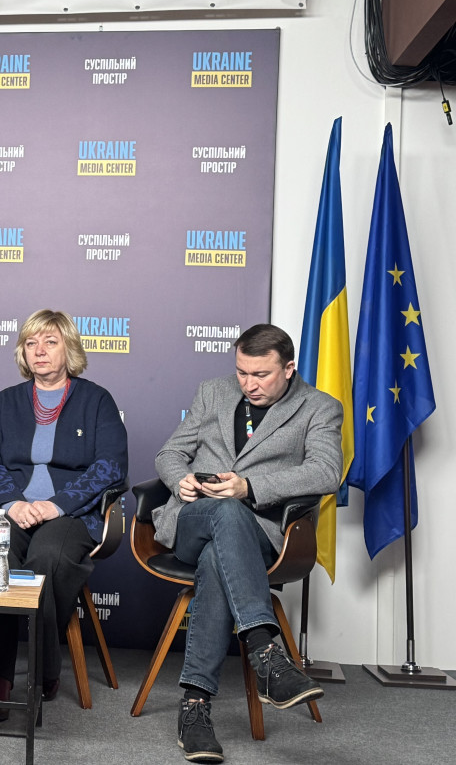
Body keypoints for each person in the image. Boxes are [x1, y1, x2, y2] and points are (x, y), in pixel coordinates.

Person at [154, 323, 341, 763]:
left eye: (261, 374)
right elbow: (169, 453)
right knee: (222, 514)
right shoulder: (213, 392)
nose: (248, 384)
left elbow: (326, 471)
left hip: (259, 533)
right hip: (193, 520)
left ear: (288, 369)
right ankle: (266, 653)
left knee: (219, 554)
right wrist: (181, 480)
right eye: (242, 372)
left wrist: (249, 487)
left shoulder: (320, 408)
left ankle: (195, 706)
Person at [0, 309, 127, 720]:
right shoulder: (6, 402)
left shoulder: (97, 401)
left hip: (70, 514)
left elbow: (110, 466)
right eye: (31, 343)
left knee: (47, 558)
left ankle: (42, 669)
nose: (39, 351)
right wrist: (12, 502)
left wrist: (57, 504)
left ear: (70, 349)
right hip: (7, 509)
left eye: (50, 342)